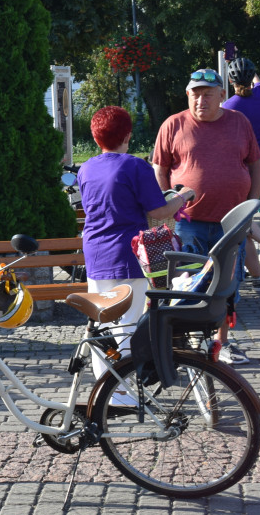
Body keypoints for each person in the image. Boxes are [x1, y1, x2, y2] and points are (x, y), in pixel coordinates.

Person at [152, 68, 260, 364]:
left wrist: (252, 207)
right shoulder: (173, 124)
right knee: (188, 285)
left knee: (226, 287)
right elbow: (160, 169)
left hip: (233, 224)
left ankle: (221, 343)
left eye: (207, 94)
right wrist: (169, 208)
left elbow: (255, 166)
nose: (200, 100)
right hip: (190, 225)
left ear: (222, 95)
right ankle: (184, 344)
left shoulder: (239, 122)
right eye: (195, 94)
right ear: (188, 95)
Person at [78, 106, 194, 384]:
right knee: (129, 325)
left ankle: (105, 389)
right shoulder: (135, 166)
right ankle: (123, 393)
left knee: (103, 324)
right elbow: (158, 211)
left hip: (95, 255)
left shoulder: (86, 168)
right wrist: (184, 196)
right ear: (127, 135)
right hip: (130, 254)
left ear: (96, 138)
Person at [221, 57, 260, 288]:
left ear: (229, 80)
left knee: (243, 215)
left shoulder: (228, 107)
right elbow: (258, 81)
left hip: (242, 164)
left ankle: (250, 267)